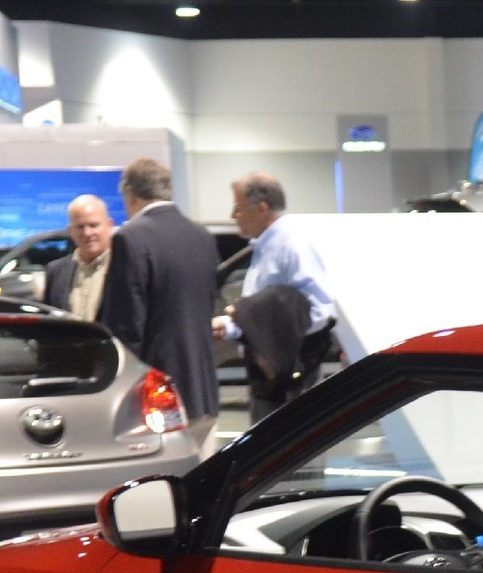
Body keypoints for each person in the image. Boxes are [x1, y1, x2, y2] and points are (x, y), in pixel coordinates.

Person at [98, 157, 222, 447]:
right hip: (203, 387)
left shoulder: (131, 238)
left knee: (161, 482)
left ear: (130, 194)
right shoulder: (201, 235)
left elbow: (127, 324)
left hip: (159, 395)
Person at [212, 171, 337, 421]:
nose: (232, 215)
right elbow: (265, 311)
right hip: (272, 377)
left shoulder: (291, 245)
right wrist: (233, 326)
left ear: (262, 208)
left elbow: (320, 312)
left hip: (290, 380)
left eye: (238, 207)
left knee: (293, 453)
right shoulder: (267, 246)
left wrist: (269, 330)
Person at [42, 194, 113, 320]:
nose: (87, 233)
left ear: (109, 225)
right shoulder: (56, 271)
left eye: (93, 225)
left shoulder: (125, 268)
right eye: (80, 227)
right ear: (70, 230)